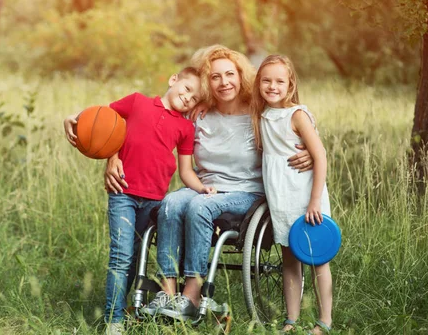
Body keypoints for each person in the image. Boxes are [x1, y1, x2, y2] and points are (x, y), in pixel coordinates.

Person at [124, 45, 313, 321]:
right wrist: (115, 156)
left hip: (245, 192)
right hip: (204, 187)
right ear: (206, 83)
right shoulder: (198, 114)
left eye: (229, 75)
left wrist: (309, 151)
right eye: (215, 77)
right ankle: (167, 291)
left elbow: (293, 126)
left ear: (240, 76)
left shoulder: (258, 112)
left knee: (200, 206)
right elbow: (154, 129)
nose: (224, 82)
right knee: (171, 203)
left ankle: (191, 296)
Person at [64, 66, 213, 335]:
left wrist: (203, 189)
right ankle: (114, 320)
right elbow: (98, 121)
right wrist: (71, 119)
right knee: (121, 256)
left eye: (194, 99)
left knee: (136, 257)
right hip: (123, 194)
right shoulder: (136, 102)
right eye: (187, 89)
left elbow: (186, 170)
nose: (188, 98)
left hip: (155, 201)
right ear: (173, 79)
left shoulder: (185, 127)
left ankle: (134, 306)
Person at [251, 54, 333, 334]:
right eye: (266, 80)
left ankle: (325, 321)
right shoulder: (261, 115)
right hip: (280, 198)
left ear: (290, 84)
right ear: (258, 83)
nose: (272, 86)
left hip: (305, 196)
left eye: (279, 81)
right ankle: (291, 319)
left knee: (317, 259)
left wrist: (314, 201)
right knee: (289, 259)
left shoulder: (296, 115)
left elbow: (319, 155)